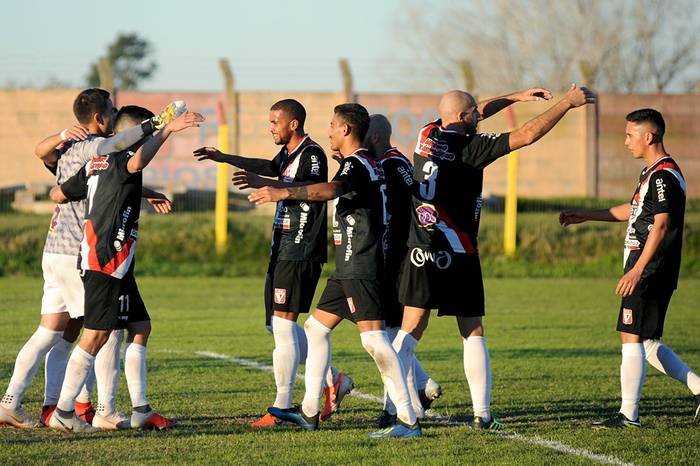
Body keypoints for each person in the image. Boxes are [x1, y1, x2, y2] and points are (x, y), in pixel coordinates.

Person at [392, 85, 594, 430]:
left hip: (419, 249)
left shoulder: (428, 133)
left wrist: (516, 98)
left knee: (410, 329)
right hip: (458, 250)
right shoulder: (473, 146)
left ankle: (396, 408)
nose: (478, 118)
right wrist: (567, 104)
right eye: (473, 115)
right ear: (462, 118)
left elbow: (475, 111)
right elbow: (527, 135)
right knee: (472, 330)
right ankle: (483, 415)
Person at [0, 89, 173, 428]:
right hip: (81, 251)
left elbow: (55, 161)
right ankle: (96, 409)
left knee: (53, 332)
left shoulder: (68, 149)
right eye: (110, 109)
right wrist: (160, 124)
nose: (114, 114)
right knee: (104, 330)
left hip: (54, 249)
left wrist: (146, 192)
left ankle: (18, 401)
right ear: (99, 118)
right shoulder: (95, 146)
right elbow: (118, 155)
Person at [248, 103, 421, 438]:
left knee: (374, 341)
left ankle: (408, 419)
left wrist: (281, 192)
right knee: (314, 329)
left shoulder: (358, 163)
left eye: (331, 125)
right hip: (347, 267)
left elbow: (331, 190)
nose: (326, 130)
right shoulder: (359, 164)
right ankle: (310, 411)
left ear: (345, 130)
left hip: (362, 264)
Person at [194, 99, 352, 427]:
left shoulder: (311, 154)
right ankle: (333, 379)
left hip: (301, 247)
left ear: (293, 124)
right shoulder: (289, 155)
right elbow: (268, 166)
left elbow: (307, 188)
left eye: (274, 122)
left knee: (283, 326)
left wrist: (271, 186)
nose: (271, 128)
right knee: (278, 326)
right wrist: (224, 158)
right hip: (282, 248)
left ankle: (281, 407)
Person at [46, 105, 204, 432]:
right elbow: (136, 161)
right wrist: (167, 129)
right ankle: (64, 411)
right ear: (131, 136)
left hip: (112, 260)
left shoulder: (97, 161)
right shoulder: (122, 157)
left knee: (140, 326)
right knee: (97, 335)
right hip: (107, 260)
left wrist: (134, 194)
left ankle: (141, 410)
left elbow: (58, 192)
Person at [560, 108, 700, 428]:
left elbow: (661, 226)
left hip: (651, 269)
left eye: (629, 134)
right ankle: (697, 389)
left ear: (648, 137)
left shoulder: (664, 176)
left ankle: (628, 415)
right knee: (646, 342)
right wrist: (586, 214)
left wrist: (637, 270)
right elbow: (633, 210)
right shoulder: (651, 172)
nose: (625, 142)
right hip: (649, 269)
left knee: (630, 336)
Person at [363, 114, 442, 427]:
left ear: (378, 137)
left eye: (364, 135)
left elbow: (410, 211)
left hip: (398, 262)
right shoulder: (388, 164)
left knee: (386, 338)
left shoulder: (393, 166)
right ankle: (421, 389)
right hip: (389, 260)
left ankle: (394, 408)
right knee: (392, 334)